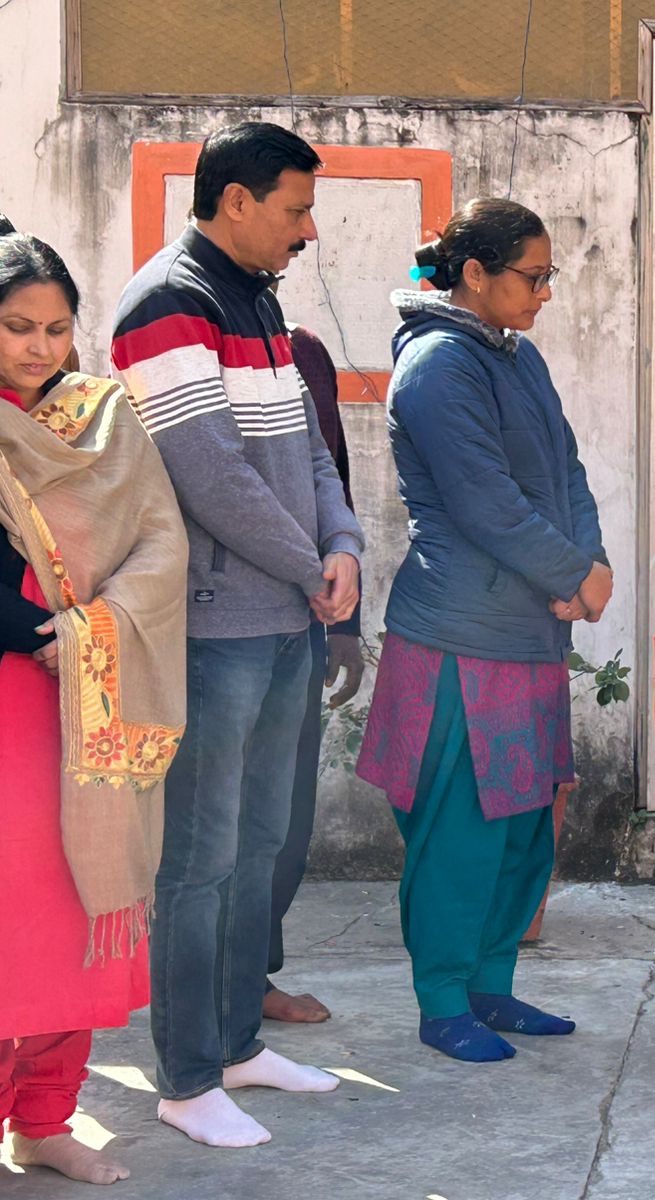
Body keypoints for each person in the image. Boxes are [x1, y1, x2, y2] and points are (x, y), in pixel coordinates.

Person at [111, 121, 364, 1148]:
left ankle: (235, 1047)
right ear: (235, 203)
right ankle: (182, 1075)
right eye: (295, 209)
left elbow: (307, 451)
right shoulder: (165, 304)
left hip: (289, 620)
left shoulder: (258, 302)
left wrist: (342, 541)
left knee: (261, 847)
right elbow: (209, 476)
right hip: (217, 633)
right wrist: (316, 569)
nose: (308, 231)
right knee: (200, 860)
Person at [355, 198, 609, 1064]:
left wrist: (591, 559)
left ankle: (491, 987)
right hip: (459, 637)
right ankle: (441, 1000)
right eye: (531, 277)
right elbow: (485, 502)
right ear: (475, 275)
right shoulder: (435, 367)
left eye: (548, 277)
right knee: (460, 828)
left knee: (523, 823)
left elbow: (566, 468)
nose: (543, 293)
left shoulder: (518, 358)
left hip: (529, 630)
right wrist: (572, 574)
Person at [0, 226, 187, 1184]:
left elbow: (160, 539)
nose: (39, 348)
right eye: (17, 328)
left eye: (57, 328)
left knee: (79, 913)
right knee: (13, 920)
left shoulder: (103, 418)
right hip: (9, 700)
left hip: (91, 696)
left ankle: (47, 1116)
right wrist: (34, 631)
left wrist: (94, 628)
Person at [262, 310, 366, 1026]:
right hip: (217, 622)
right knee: (225, 826)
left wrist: (348, 623)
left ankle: (254, 977)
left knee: (288, 820)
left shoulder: (306, 353)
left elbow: (336, 478)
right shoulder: (180, 344)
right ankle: (212, 993)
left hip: (305, 623)